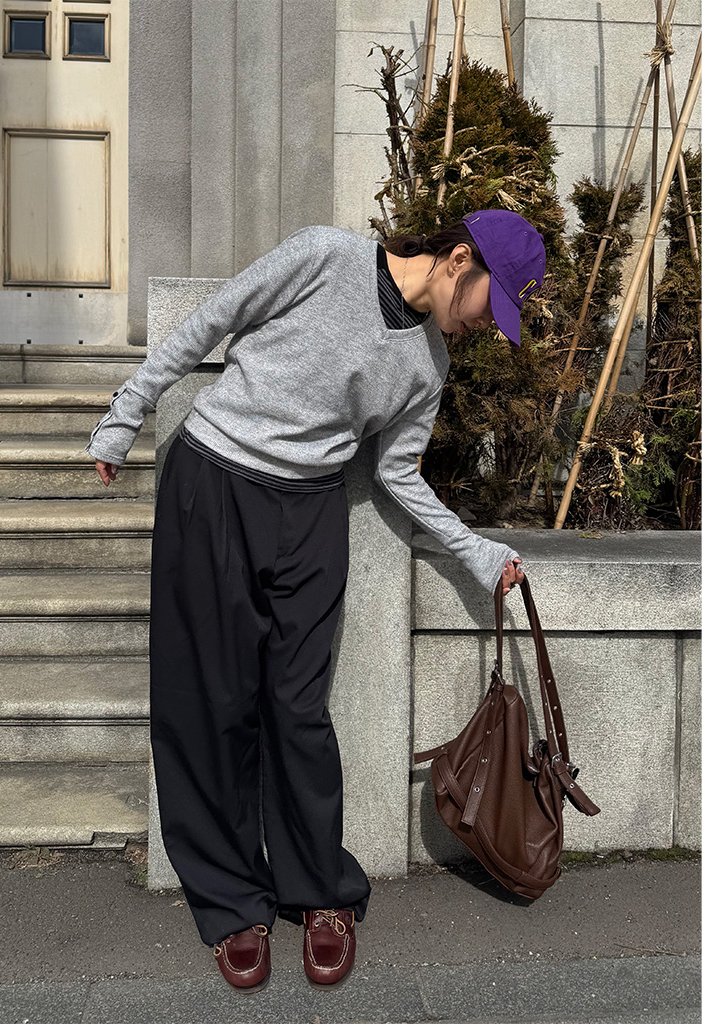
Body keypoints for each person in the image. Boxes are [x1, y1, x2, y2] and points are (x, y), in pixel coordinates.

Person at [84, 208, 543, 993]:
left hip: (310, 514)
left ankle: (316, 888)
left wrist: (478, 551)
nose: (482, 326)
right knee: (211, 703)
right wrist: (126, 413)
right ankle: (233, 902)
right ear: (459, 259)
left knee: (298, 710)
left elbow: (397, 473)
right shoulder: (326, 257)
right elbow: (212, 321)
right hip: (214, 485)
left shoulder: (428, 363)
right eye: (486, 304)